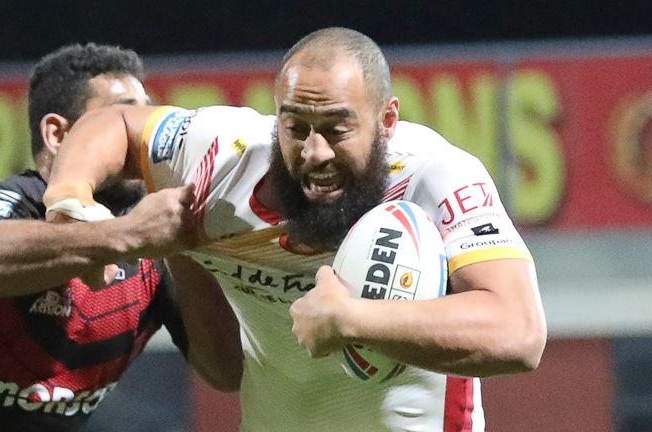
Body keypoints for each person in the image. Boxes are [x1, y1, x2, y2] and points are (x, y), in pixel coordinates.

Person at [43, 28, 547, 431]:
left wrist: (353, 321)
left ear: (387, 120)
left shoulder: (434, 176)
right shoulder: (221, 158)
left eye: (337, 128)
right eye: (296, 126)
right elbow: (117, 125)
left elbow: (520, 333)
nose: (315, 153)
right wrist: (69, 199)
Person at [0, 43, 242, 432]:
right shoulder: (13, 204)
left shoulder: (154, 243)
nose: (142, 137)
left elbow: (226, 372)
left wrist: (184, 247)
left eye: (147, 119)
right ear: (58, 134)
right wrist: (126, 235)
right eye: (122, 117)